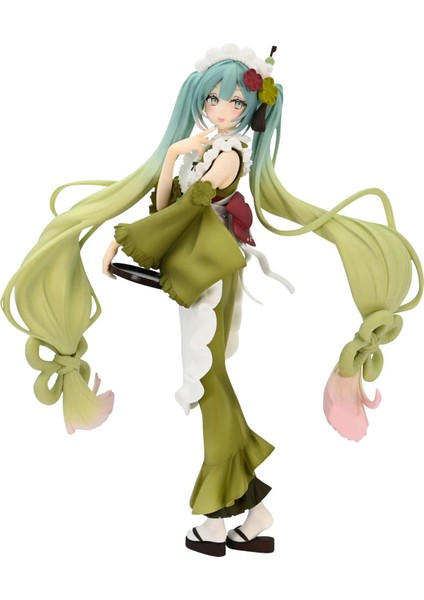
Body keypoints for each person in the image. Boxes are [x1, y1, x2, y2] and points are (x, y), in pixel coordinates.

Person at [2, 44, 422, 557]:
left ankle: (217, 517)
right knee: (211, 379)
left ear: (252, 110)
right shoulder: (204, 149)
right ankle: (254, 513)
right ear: (200, 99)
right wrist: (173, 156)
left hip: (212, 275)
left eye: (236, 103)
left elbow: (184, 213)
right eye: (214, 99)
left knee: (208, 381)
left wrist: (125, 240)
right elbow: (167, 203)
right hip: (199, 270)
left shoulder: (228, 155)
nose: (223, 110)